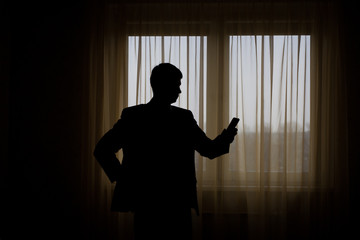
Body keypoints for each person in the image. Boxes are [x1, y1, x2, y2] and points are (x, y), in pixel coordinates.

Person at [93, 63, 238, 239]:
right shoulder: (182, 118)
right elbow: (209, 150)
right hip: (173, 201)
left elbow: (102, 150)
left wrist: (125, 178)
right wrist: (126, 178)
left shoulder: (135, 116)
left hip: (151, 201)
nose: (180, 91)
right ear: (163, 85)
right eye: (177, 85)